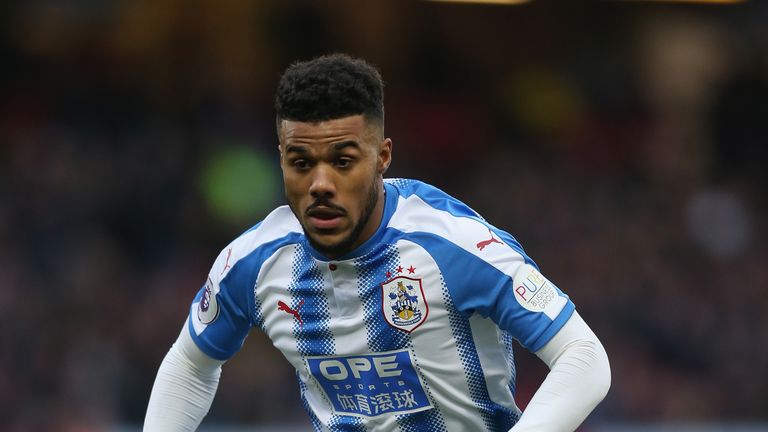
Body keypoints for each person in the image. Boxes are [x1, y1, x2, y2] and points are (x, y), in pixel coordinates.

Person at [144, 53, 611, 431]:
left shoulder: (451, 246)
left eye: (343, 161)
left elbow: (585, 357)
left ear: (382, 156)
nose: (321, 183)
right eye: (301, 162)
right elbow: (189, 365)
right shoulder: (252, 263)